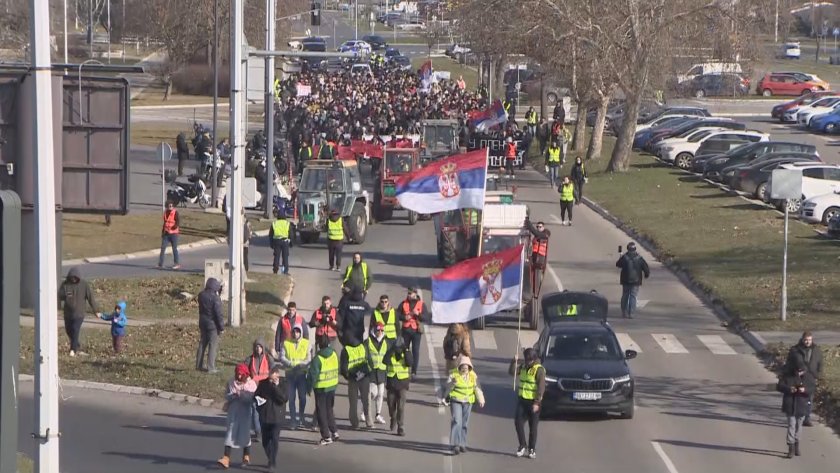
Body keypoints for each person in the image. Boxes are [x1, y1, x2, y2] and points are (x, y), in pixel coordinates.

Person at [441, 356, 485, 455]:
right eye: (463, 368)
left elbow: (477, 388)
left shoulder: (473, 376)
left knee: (464, 424)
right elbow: (446, 387)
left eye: (466, 368)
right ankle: (455, 444)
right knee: (457, 421)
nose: (464, 370)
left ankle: (462, 444)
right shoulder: (453, 374)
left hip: (468, 402)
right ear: (459, 367)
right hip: (456, 400)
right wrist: (452, 383)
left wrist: (481, 399)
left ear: (469, 367)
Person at [218, 363, 256, 469]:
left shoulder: (251, 384)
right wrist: (232, 395)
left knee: (245, 434)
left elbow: (251, 399)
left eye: (241, 374)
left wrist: (242, 394)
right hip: (233, 412)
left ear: (245, 374)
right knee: (230, 433)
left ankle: (246, 456)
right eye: (237, 374)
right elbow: (227, 394)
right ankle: (226, 458)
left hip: (245, 413)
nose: (239, 376)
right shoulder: (231, 382)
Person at [510, 348, 545, 459]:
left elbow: (541, 387)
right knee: (518, 423)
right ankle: (522, 445)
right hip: (522, 400)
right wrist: (513, 362)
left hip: (533, 402)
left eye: (529, 360)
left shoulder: (539, 370)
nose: (527, 362)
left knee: (533, 427)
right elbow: (512, 373)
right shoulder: (524, 367)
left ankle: (532, 449)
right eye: (526, 360)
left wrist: (537, 402)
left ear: (534, 359)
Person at [58, 267, 100, 357]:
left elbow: (90, 298)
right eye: (72, 277)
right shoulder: (65, 285)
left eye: (75, 277)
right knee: (69, 331)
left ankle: (73, 350)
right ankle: (77, 346)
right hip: (68, 314)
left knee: (75, 330)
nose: (73, 279)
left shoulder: (84, 285)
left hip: (79, 314)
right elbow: (59, 296)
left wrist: (96, 311)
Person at [254, 366, 288, 471]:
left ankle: (272, 462)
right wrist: (258, 402)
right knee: (265, 441)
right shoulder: (263, 383)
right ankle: (270, 458)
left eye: (272, 378)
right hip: (265, 416)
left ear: (277, 375)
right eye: (269, 378)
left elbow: (283, 399)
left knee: (274, 439)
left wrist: (275, 386)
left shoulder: (283, 383)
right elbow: (256, 395)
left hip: (277, 417)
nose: (270, 380)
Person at [785, 332, 823, 427]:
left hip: (810, 377)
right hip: (798, 377)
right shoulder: (795, 350)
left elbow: (820, 363)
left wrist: (818, 374)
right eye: (806, 340)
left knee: (809, 398)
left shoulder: (816, 350)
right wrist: (793, 372)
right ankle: (797, 417)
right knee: (798, 397)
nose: (807, 342)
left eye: (809, 340)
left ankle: (807, 418)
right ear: (802, 339)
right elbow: (789, 363)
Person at [309, 335, 340, 445]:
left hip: (321, 389)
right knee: (329, 410)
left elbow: (313, 376)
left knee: (321, 412)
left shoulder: (317, 359)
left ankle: (326, 437)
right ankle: (334, 431)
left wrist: (309, 388)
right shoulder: (334, 355)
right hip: (332, 386)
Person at [279, 323, 311, 429]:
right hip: (290, 374)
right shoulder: (286, 343)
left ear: (301, 332)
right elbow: (282, 357)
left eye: (298, 331)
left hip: (301, 374)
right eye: (294, 331)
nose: (296, 333)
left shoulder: (307, 343)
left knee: (302, 397)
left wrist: (300, 364)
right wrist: (291, 364)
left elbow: (308, 358)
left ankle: (301, 417)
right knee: (291, 398)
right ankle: (293, 420)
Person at [777, 361, 811, 458]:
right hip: (790, 405)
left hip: (802, 405)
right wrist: (789, 389)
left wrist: (805, 390)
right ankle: (790, 447)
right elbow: (779, 386)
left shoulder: (808, 377)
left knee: (799, 426)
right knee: (791, 425)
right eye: (798, 371)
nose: (800, 373)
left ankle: (797, 444)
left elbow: (812, 389)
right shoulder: (788, 376)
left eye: (802, 371)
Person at [340, 334, 373, 429]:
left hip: (353, 378)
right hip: (364, 376)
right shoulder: (363, 347)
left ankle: (354, 423)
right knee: (366, 400)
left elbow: (343, 369)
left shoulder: (346, 350)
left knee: (353, 402)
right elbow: (369, 361)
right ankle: (369, 421)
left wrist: (348, 377)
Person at [385, 338, 413, 436]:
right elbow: (385, 361)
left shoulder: (406, 353)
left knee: (401, 407)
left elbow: (410, 363)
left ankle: (400, 427)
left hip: (402, 383)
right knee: (391, 405)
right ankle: (393, 417)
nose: (398, 350)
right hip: (392, 383)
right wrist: (391, 350)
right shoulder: (391, 352)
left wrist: (405, 351)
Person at [245, 339, 272, 441]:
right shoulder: (250, 359)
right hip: (253, 389)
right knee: (255, 410)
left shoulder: (268, 359)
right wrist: (246, 378)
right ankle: (258, 432)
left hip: (265, 389)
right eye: (256, 347)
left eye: (260, 347)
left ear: (263, 348)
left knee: (265, 411)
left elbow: (273, 370)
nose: (258, 349)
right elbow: (244, 370)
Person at [196, 278, 225, 373]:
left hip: (202, 322)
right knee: (213, 345)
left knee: (202, 344)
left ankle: (198, 365)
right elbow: (218, 314)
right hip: (212, 325)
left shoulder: (201, 295)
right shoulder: (215, 298)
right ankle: (211, 367)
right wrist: (221, 327)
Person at [615, 242, 651, 319]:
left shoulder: (624, 257)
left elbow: (618, 264)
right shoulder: (639, 258)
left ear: (628, 249)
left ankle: (624, 312)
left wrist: (621, 257)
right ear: (635, 249)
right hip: (636, 281)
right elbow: (646, 269)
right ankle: (631, 313)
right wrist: (646, 275)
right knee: (633, 296)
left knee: (625, 295)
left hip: (625, 280)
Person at [399, 287, 427, 379]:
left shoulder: (421, 304)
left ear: (415, 294)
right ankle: (405, 368)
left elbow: (426, 318)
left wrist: (418, 314)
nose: (409, 295)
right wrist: (404, 317)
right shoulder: (403, 303)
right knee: (405, 350)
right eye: (408, 293)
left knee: (415, 351)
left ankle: (414, 371)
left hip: (416, 331)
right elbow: (397, 314)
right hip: (406, 330)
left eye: (410, 293)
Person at [367, 323, 392, 426]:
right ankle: (365, 410)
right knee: (373, 393)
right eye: (378, 331)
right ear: (374, 331)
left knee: (381, 393)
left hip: (381, 371)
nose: (380, 332)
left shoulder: (386, 341)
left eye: (381, 330)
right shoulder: (368, 341)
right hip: (372, 371)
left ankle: (378, 414)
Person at [269, 210, 294, 275]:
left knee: (276, 256)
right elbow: (291, 234)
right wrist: (291, 242)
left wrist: (271, 243)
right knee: (285, 257)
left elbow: (271, 234)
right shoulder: (287, 223)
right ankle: (284, 271)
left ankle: (275, 270)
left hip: (276, 241)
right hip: (285, 241)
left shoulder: (274, 223)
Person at [158, 200, 181, 270]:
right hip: (166, 234)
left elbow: (178, 221)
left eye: (171, 206)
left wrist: (174, 226)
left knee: (174, 249)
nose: (170, 207)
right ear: (167, 206)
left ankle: (176, 264)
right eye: (169, 206)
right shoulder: (165, 213)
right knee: (162, 248)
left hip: (174, 234)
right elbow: (165, 223)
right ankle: (160, 264)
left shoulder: (175, 212)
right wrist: (163, 232)